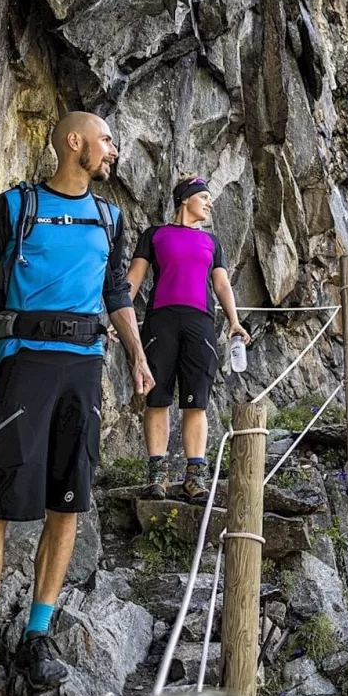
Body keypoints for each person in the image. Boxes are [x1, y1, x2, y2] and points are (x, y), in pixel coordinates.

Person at [0, 112, 154, 696]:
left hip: (84, 372)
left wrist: (137, 357)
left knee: (69, 504)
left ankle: (38, 634)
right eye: (107, 140)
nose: (114, 151)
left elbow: (117, 292)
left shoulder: (111, 218)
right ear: (74, 142)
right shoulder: (17, 206)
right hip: (25, 365)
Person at [125, 174, 250, 501]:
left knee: (197, 400)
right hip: (160, 322)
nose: (209, 203)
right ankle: (157, 477)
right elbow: (133, 280)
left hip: (201, 324)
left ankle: (195, 477)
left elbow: (221, 285)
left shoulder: (213, 242)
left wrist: (234, 321)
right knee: (157, 397)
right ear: (185, 199)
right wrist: (116, 318)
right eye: (204, 197)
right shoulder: (154, 235)